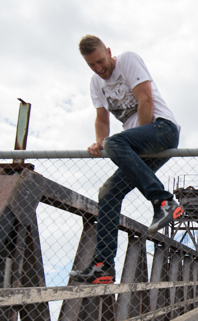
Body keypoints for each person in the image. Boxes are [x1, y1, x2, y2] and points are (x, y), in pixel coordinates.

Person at [70, 35, 184, 284]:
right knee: (108, 193)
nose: (99, 69)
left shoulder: (127, 60)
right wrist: (100, 140)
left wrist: (135, 140)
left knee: (116, 142)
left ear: (109, 51)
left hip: (161, 129)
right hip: (135, 144)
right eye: (92, 65)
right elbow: (102, 118)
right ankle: (103, 266)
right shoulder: (95, 83)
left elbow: (145, 99)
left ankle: (164, 202)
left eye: (101, 61)